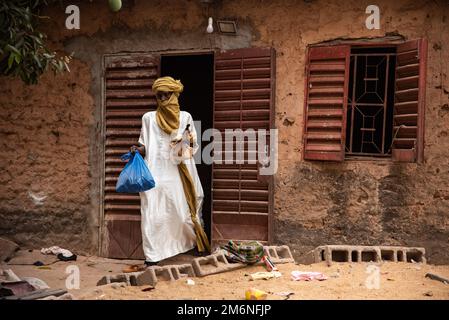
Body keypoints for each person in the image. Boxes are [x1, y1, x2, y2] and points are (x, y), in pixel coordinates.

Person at [130, 76, 210, 267]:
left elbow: (193, 145)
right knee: (153, 215)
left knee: (183, 215)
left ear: (175, 94)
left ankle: (189, 246)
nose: (164, 98)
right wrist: (137, 149)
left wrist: (182, 143)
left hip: (180, 173)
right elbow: (145, 145)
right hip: (155, 174)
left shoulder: (186, 117)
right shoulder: (148, 118)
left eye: (167, 94)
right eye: (160, 95)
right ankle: (153, 256)